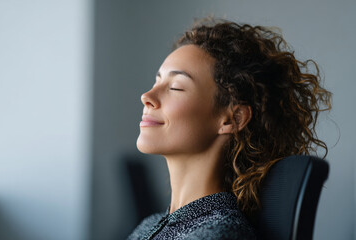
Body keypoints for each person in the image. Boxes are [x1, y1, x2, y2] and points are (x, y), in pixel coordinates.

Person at [127, 17, 331, 240]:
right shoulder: (149, 225)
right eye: (157, 82)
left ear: (232, 119)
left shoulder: (221, 234)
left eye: (176, 87)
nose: (147, 97)